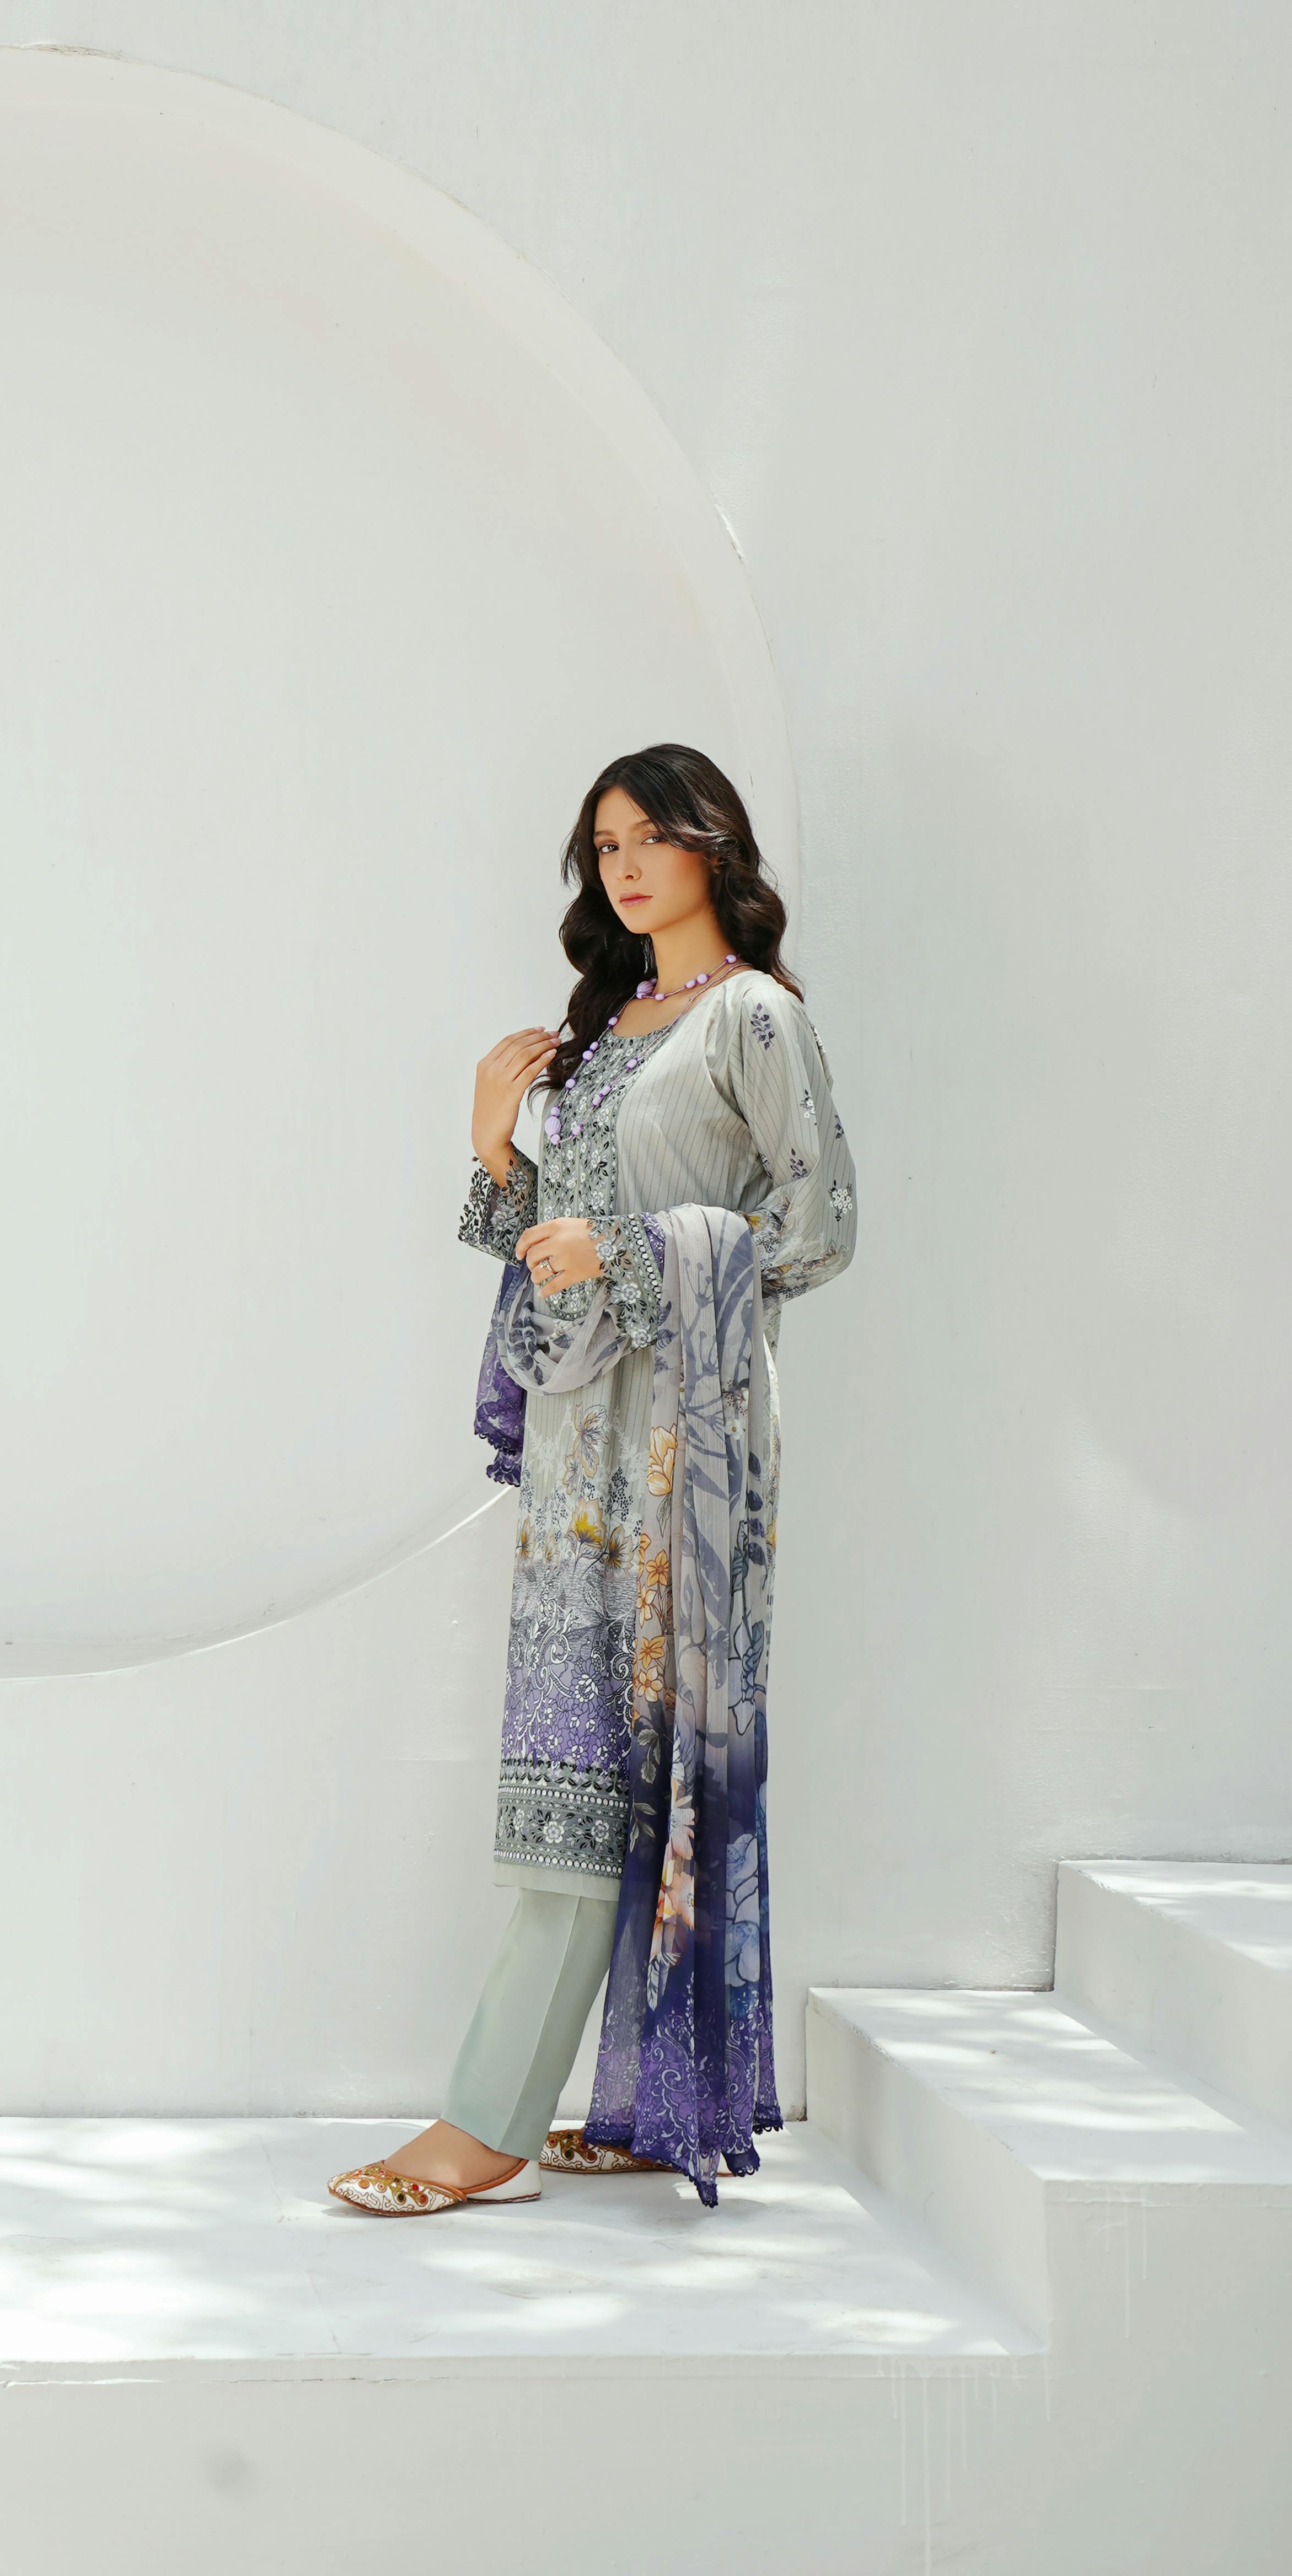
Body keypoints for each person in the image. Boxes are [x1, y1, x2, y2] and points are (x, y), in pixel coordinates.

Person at [329, 743, 856, 2214]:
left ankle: (486, 2122)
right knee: (579, 1772)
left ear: (713, 849)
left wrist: (623, 1253)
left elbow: (817, 1233)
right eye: (602, 844)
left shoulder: (751, 1018)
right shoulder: (611, 1026)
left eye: (650, 837)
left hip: (683, 1441)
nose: (623, 866)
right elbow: (541, 1259)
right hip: (577, 1452)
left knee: (608, 1774)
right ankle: (645, 2107)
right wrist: (496, 1154)